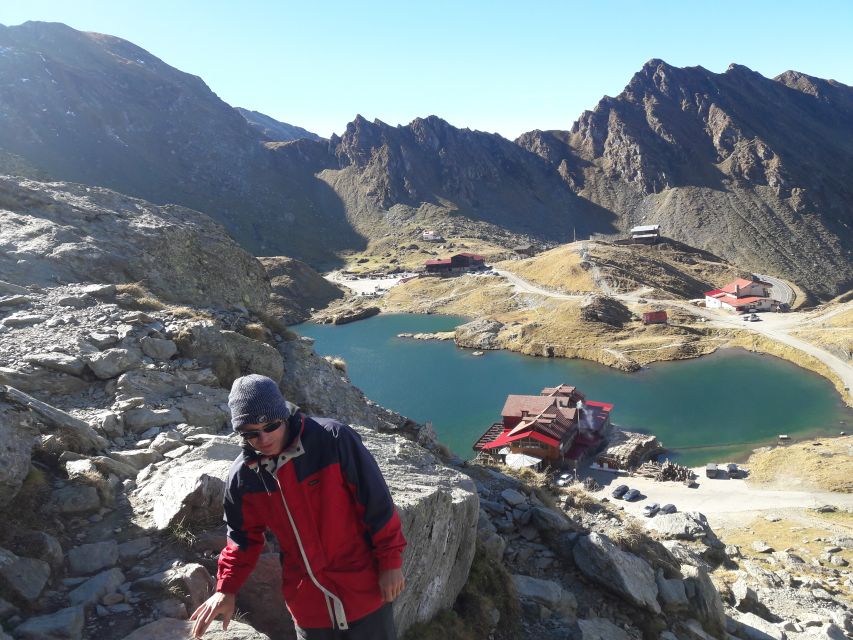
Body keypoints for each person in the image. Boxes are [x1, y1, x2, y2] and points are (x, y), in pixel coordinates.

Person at [190, 374, 407, 639]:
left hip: (365, 592)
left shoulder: (333, 440)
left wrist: (390, 563)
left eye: (271, 426)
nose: (264, 438)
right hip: (309, 607)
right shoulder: (244, 477)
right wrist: (226, 588)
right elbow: (242, 538)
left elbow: (377, 505)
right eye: (250, 434)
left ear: (285, 416)